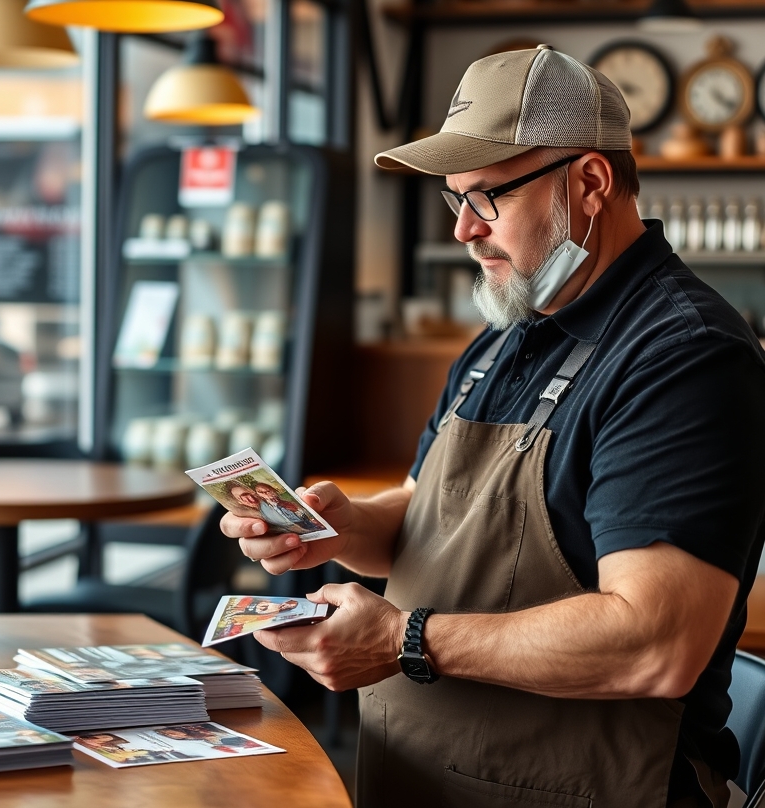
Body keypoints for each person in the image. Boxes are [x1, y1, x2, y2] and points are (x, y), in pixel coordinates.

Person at [220, 44, 765, 808]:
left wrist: (401, 639)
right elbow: (430, 513)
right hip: (422, 776)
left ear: (590, 183)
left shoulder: (684, 358)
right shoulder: (504, 336)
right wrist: (340, 529)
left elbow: (655, 645)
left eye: (486, 198)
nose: (463, 233)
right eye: (456, 201)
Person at [252, 481, 323, 534]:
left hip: (304, 522)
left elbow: (303, 512)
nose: (265, 493)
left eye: (267, 490)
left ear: (273, 490)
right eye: (261, 492)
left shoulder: (287, 499)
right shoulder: (264, 507)